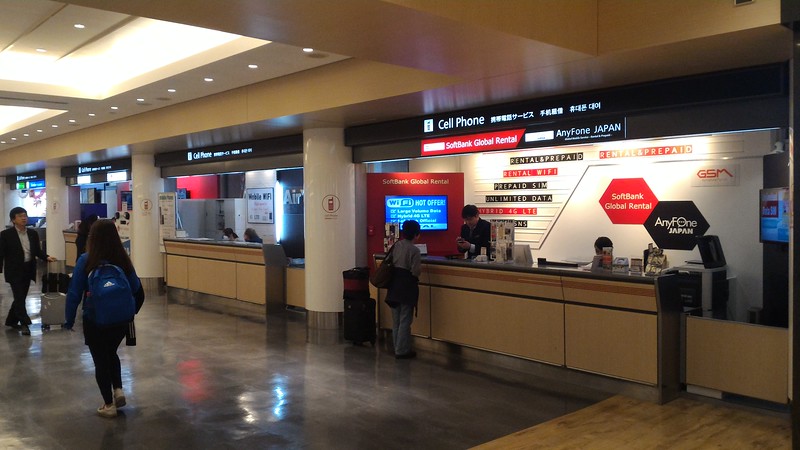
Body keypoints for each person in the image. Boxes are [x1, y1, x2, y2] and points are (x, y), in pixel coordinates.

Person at [65, 219, 144, 418]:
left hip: (95, 319)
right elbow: (138, 290)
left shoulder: (86, 260)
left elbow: (74, 293)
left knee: (100, 359)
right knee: (111, 353)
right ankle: (118, 390)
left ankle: (108, 405)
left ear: (92, 238)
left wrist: (69, 320)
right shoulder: (122, 259)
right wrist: (129, 313)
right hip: (121, 321)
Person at [0, 207, 56, 335]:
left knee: (20, 297)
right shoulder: (6, 235)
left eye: (25, 215)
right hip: (14, 270)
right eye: (20, 216)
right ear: (13, 220)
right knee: (19, 297)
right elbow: (1, 253)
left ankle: (11, 321)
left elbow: (36, 250)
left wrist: (46, 257)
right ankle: (25, 323)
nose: (24, 218)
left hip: (28, 269)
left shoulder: (32, 233)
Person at [383, 220, 422, 359]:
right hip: (407, 287)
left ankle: (397, 347)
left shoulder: (396, 245)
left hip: (394, 286)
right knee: (405, 320)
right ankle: (402, 350)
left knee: (396, 321)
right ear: (416, 234)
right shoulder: (415, 250)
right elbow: (416, 271)